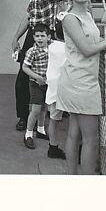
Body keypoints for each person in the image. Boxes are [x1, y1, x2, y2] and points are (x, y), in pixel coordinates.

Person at [56, 0, 106, 175]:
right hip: (78, 81)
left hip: (84, 78)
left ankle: (73, 179)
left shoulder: (88, 15)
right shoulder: (69, 18)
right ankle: (85, 183)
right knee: (91, 138)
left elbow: (92, 39)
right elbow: (85, 49)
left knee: (75, 132)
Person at [11, 0, 68, 131]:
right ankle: (25, 117)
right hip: (33, 34)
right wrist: (16, 37)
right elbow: (29, 17)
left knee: (49, 75)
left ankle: (49, 114)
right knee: (25, 76)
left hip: (45, 34)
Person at [21, 23, 51, 150]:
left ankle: (40, 129)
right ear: (33, 37)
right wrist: (37, 77)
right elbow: (25, 67)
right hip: (35, 83)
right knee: (36, 109)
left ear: (48, 37)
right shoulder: (32, 51)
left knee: (44, 107)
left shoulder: (51, 49)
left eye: (42, 36)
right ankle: (28, 134)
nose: (40, 39)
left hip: (48, 83)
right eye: (37, 36)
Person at [44, 16, 67, 159]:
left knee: (54, 119)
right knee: (74, 120)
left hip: (52, 87)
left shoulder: (51, 47)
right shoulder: (68, 48)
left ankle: (53, 146)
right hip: (64, 87)